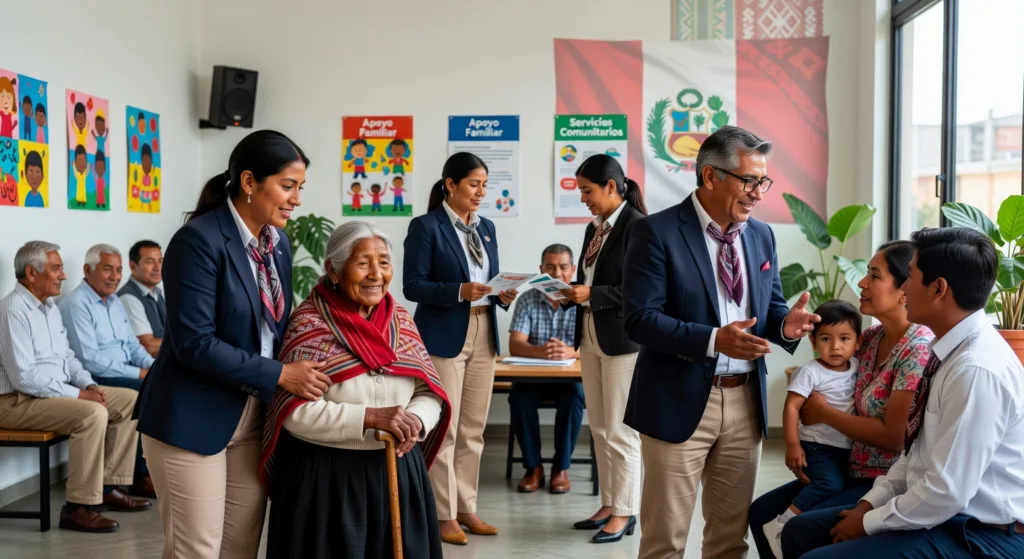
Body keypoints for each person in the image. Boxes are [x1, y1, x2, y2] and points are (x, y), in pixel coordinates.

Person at [622, 126, 820, 558]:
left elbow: (769, 311)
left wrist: (787, 326)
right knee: (664, 540)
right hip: (676, 399)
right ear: (710, 177)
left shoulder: (761, 235)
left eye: (762, 182)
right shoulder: (656, 232)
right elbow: (640, 320)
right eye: (748, 181)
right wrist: (714, 340)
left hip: (744, 404)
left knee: (730, 540)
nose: (757, 193)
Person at [133, 130, 331, 559]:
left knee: (239, 547)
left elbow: (272, 328)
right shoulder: (198, 241)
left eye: (300, 188)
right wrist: (280, 374)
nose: (296, 198)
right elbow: (194, 343)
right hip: (191, 415)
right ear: (248, 182)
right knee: (196, 550)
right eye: (288, 185)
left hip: (251, 411)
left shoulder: (277, 244)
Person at [782, 227, 1024, 558]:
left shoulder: (975, 370)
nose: (905, 289)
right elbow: (915, 456)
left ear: (938, 289)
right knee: (799, 531)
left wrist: (868, 522)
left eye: (909, 277)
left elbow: (945, 492)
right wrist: (868, 505)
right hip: (945, 513)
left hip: (982, 533)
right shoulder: (947, 349)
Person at [262, 222, 451, 559]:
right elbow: (294, 413)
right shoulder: (309, 325)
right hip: (326, 479)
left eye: (384, 262)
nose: (376, 274)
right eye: (363, 263)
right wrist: (370, 418)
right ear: (332, 269)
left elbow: (430, 391)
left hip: (397, 470)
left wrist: (415, 421)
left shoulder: (402, 323)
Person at [747, 241, 934, 557]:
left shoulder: (918, 348)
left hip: (884, 480)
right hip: (845, 466)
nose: (861, 282)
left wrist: (823, 412)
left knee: (798, 530)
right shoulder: (869, 339)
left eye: (874, 276)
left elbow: (892, 437)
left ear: (905, 291)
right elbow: (823, 380)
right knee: (760, 512)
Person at [403, 152, 518, 545]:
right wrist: (458, 291)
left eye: (485, 185)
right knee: (446, 428)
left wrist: (503, 293)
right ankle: (442, 513)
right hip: (443, 334)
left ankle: (466, 506)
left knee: (474, 428)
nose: (481, 192)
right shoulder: (426, 226)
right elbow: (412, 286)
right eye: (474, 184)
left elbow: (488, 279)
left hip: (484, 331)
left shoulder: (485, 227)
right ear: (450, 185)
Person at [0, 241, 150, 534]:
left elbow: (68, 356)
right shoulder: (12, 309)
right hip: (14, 401)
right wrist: (80, 394)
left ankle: (109, 487)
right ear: (31, 273)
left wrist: (90, 383)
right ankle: (78, 508)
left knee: (131, 399)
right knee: (91, 413)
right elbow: (23, 377)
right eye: (56, 268)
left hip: (47, 395)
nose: (63, 275)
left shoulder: (49, 306)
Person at [559, 153, 647, 543]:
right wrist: (569, 295)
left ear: (612, 186)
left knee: (620, 431)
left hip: (623, 341)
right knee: (598, 429)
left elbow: (642, 293)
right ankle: (611, 502)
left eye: (587, 190)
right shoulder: (594, 229)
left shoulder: (638, 227)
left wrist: (590, 293)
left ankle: (626, 511)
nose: (583, 198)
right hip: (591, 336)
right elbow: (589, 283)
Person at [761, 300, 862, 558]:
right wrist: (793, 444)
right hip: (817, 445)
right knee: (829, 484)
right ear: (813, 342)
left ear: (857, 342)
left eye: (844, 338)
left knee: (836, 488)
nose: (836, 346)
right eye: (826, 339)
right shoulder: (810, 372)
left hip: (844, 448)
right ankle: (780, 524)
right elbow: (792, 407)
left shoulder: (858, 369)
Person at [59, 243, 156, 499]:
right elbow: (90, 360)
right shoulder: (75, 303)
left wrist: (153, 368)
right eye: (107, 269)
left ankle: (146, 471)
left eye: (118, 270)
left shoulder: (114, 302)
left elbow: (132, 345)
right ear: (87, 270)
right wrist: (140, 375)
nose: (115, 277)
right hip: (95, 378)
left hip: (124, 370)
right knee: (145, 392)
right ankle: (138, 476)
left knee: (161, 385)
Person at [508, 243, 584, 494]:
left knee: (574, 399)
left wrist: (571, 352)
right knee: (519, 398)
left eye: (563, 267)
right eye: (550, 267)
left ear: (572, 270)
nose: (557, 273)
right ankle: (533, 468)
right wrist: (543, 351)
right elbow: (516, 344)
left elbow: (595, 344)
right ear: (541, 270)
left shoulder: (582, 300)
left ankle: (560, 469)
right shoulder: (528, 298)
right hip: (533, 377)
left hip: (569, 379)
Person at [117, 240, 166, 357]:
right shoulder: (128, 297)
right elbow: (148, 345)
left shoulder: (157, 292)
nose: (157, 267)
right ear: (133, 266)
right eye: (150, 262)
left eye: (160, 261)